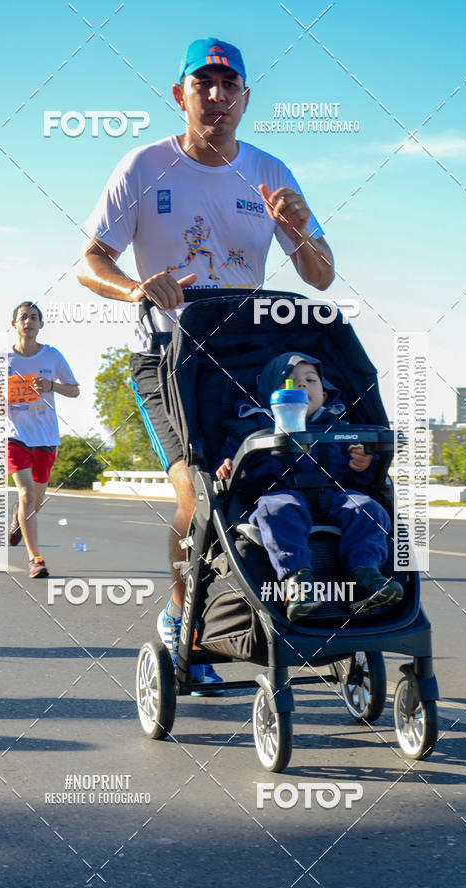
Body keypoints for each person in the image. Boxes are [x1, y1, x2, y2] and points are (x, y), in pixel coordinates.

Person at [77, 38, 335, 678]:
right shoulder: (142, 167)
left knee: (256, 486)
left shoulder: (271, 172)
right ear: (180, 95)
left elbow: (323, 277)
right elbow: (90, 261)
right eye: (203, 84)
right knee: (195, 493)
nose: (216, 96)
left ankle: (261, 610)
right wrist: (136, 288)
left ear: (246, 99)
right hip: (166, 354)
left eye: (229, 86)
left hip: (250, 357)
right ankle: (180, 621)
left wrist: (299, 228)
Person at [215, 353, 404, 621]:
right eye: (289, 381)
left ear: (325, 395)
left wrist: (362, 467)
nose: (301, 384)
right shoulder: (250, 429)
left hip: (334, 496)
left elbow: (363, 482)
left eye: (310, 380)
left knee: (367, 507)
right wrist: (233, 470)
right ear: (269, 394)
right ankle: (298, 582)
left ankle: (367, 574)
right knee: (279, 509)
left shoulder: (338, 428)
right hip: (279, 496)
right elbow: (228, 470)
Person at [5, 302, 80, 578]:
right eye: (23, 317)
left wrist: (51, 386)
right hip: (15, 437)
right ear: (14, 323)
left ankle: (18, 516)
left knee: (34, 503)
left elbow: (74, 391)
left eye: (34, 317)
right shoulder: (4, 360)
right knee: (26, 494)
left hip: (46, 437)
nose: (29, 321)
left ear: (41, 324)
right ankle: (35, 559)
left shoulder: (52, 356)